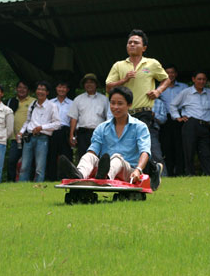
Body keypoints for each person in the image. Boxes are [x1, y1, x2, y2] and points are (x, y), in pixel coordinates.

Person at [57, 86, 163, 191]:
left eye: (120, 103)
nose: (115, 107)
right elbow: (93, 150)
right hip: (104, 166)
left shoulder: (140, 127)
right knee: (89, 156)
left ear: (129, 105)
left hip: (129, 171)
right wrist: (90, 159)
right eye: (112, 103)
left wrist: (138, 170)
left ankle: (105, 177)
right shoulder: (102, 128)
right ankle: (78, 175)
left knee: (117, 158)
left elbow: (145, 152)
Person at [106, 29, 170, 168]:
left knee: (149, 145)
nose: (132, 45)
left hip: (144, 112)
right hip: (124, 114)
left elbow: (166, 79)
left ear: (144, 48)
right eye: (129, 42)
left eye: (136, 42)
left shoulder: (152, 63)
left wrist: (158, 91)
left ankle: (159, 172)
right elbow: (108, 87)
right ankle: (127, 173)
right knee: (125, 146)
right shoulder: (119, 65)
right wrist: (124, 79)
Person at [18, 81, 60, 182]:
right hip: (29, 137)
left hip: (42, 138)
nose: (40, 92)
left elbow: (57, 124)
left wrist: (42, 127)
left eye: (43, 90)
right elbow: (28, 121)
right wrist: (21, 132)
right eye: (38, 89)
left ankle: (38, 186)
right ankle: (21, 187)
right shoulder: (33, 104)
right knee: (24, 165)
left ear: (47, 92)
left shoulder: (52, 106)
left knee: (39, 167)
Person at [68, 73, 110, 160]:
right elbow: (74, 118)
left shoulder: (104, 99)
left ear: (96, 84)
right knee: (83, 157)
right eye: (86, 82)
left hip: (99, 133)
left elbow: (109, 117)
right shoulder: (78, 99)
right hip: (82, 133)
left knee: (98, 157)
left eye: (91, 82)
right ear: (84, 85)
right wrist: (71, 135)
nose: (89, 84)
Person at [157, 63, 187, 176]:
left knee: (180, 146)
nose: (170, 75)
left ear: (176, 74)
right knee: (167, 146)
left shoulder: (184, 87)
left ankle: (180, 172)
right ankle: (169, 172)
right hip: (165, 120)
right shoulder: (159, 88)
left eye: (172, 72)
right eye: (167, 72)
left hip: (180, 118)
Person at [6, 80, 36, 182]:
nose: (21, 90)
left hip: (29, 137)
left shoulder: (33, 101)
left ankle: (30, 181)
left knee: (30, 162)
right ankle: (11, 182)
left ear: (28, 90)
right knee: (11, 161)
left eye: (24, 88)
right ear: (16, 89)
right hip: (15, 138)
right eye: (19, 87)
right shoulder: (11, 101)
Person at [46, 80, 73, 181]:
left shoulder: (72, 103)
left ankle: (66, 178)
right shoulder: (50, 102)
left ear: (67, 90)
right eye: (59, 87)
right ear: (56, 89)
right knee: (51, 155)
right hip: (52, 131)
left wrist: (73, 135)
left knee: (66, 155)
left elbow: (74, 120)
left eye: (64, 87)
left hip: (65, 131)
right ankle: (51, 178)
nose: (61, 89)